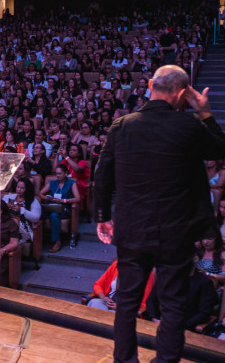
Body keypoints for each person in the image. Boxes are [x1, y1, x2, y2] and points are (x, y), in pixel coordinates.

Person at [94, 65, 225, 363]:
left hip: (131, 228)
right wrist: (204, 112)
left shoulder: (121, 125)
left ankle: (124, 360)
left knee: (126, 303)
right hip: (175, 231)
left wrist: (102, 215)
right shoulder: (191, 125)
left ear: (151, 84)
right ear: (182, 94)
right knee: (173, 303)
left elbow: (102, 177)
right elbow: (222, 148)